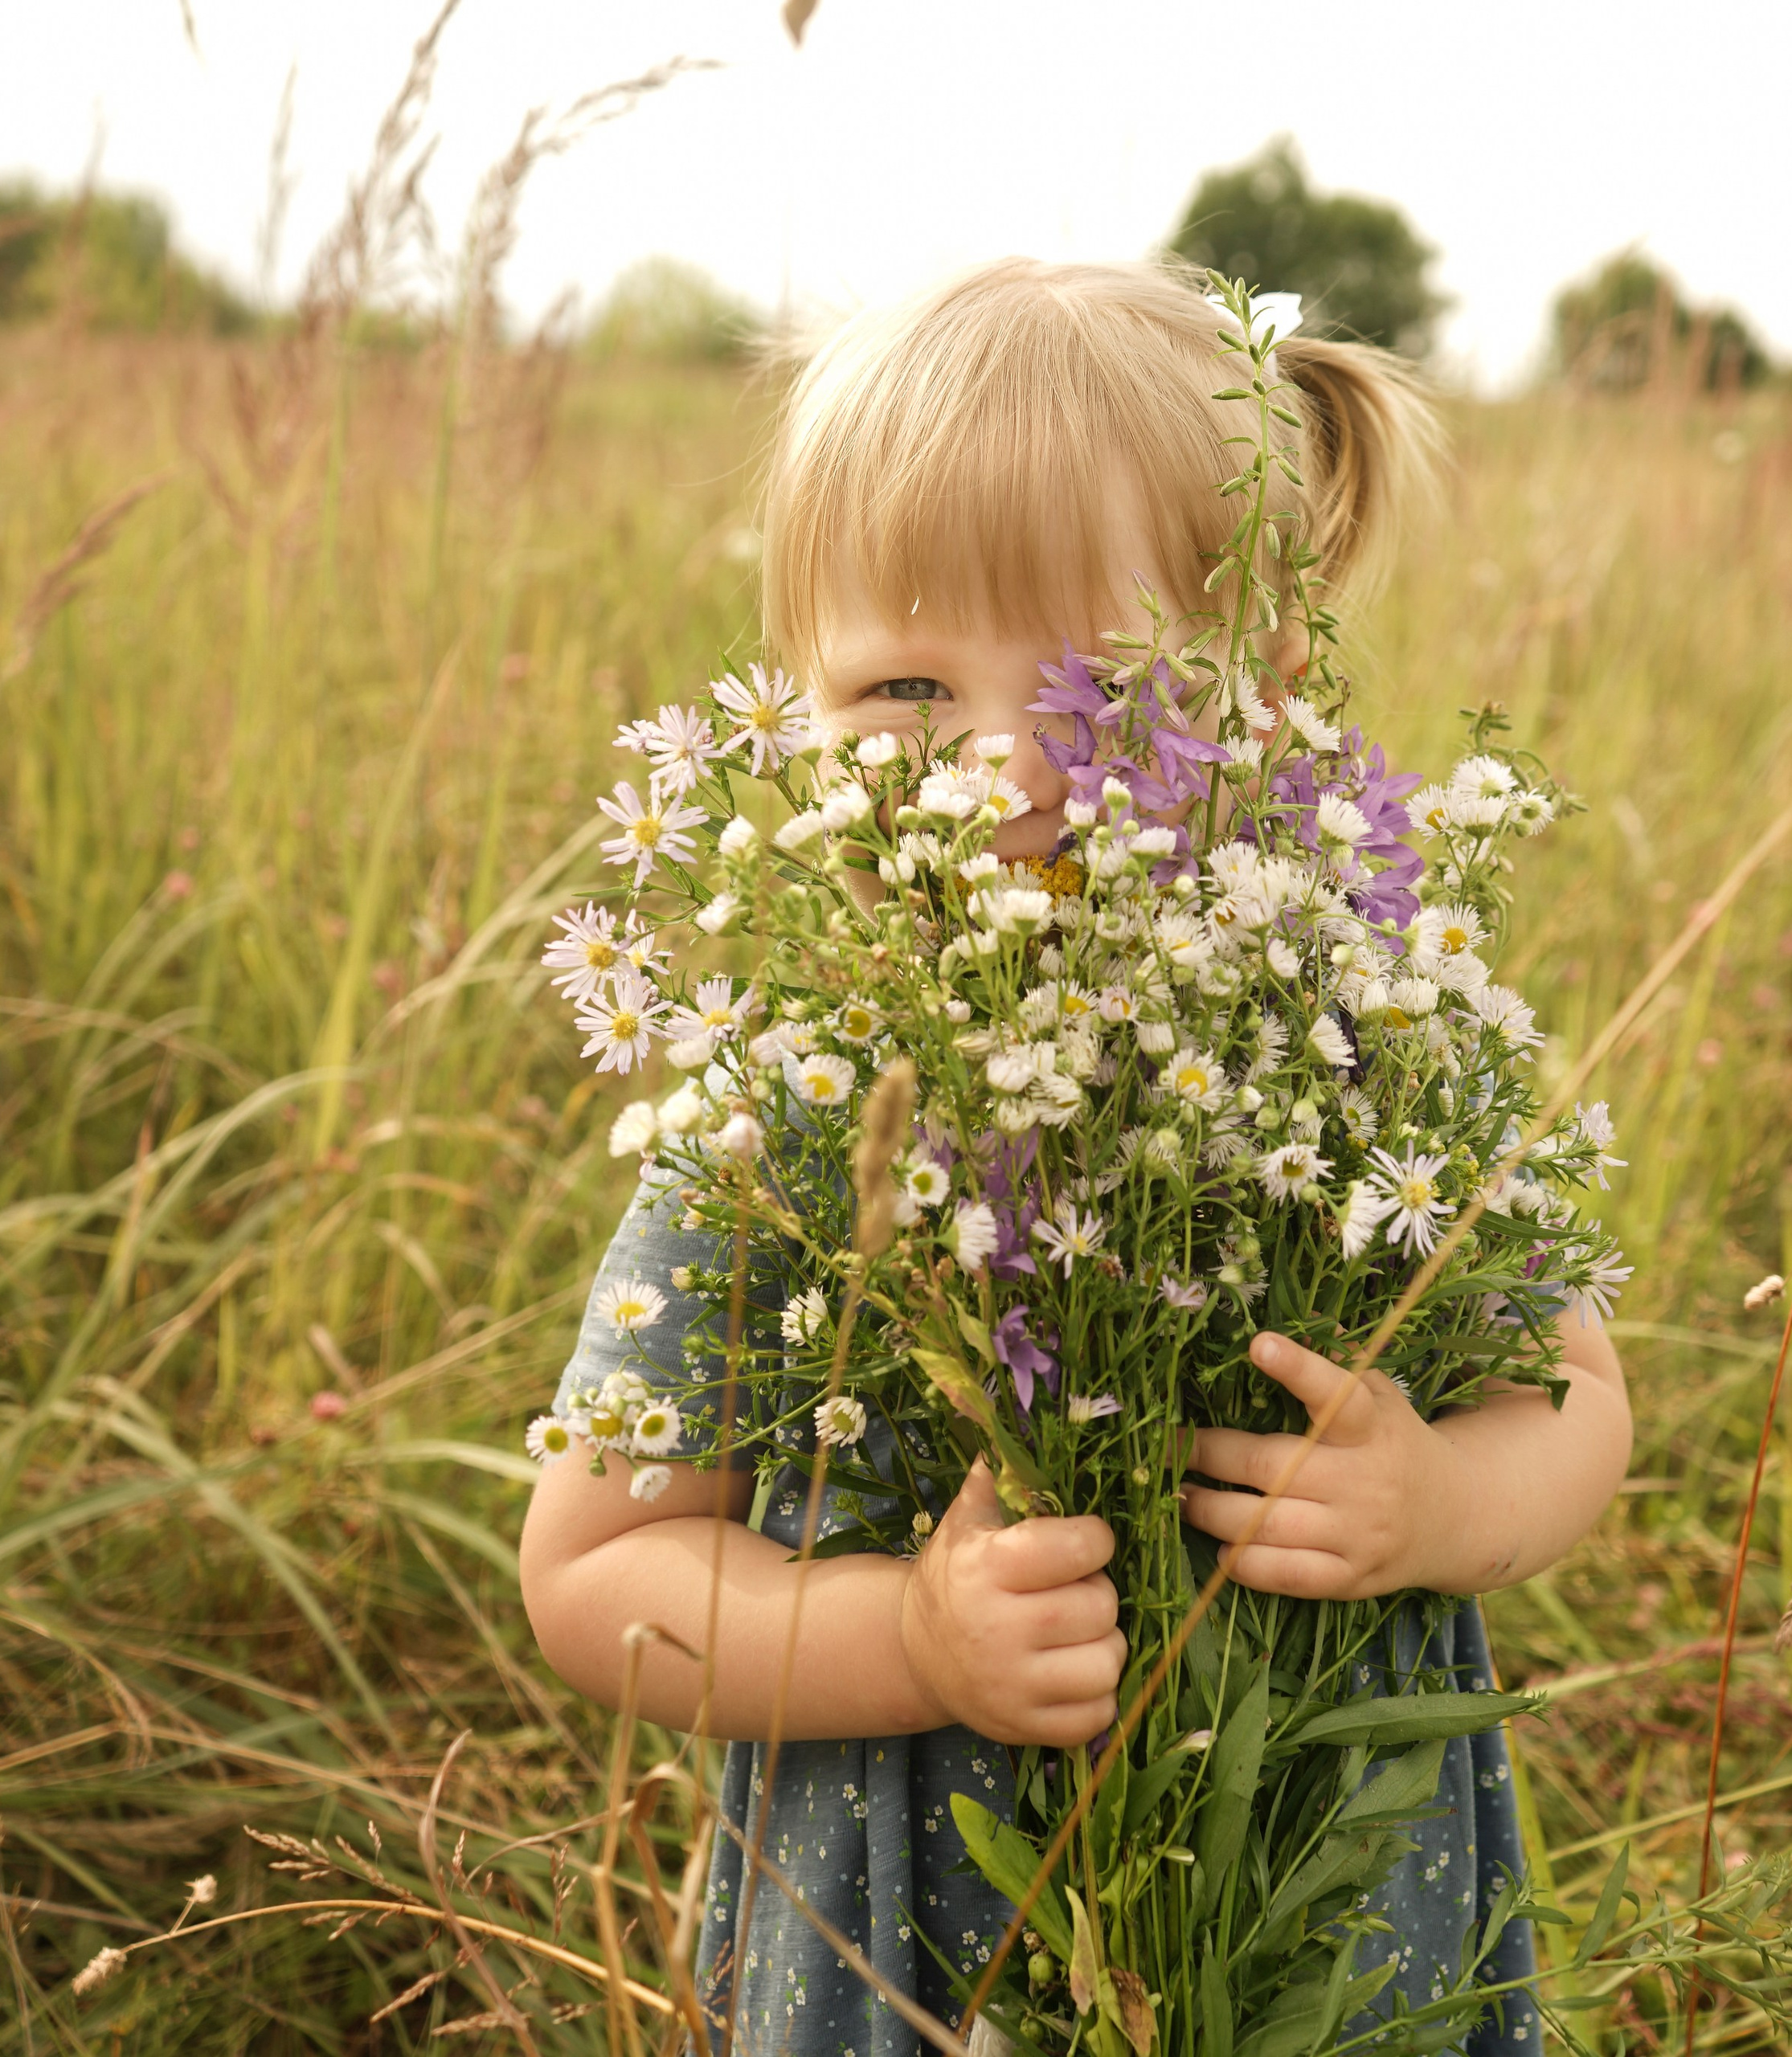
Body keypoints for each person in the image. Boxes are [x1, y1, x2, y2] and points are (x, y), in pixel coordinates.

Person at [521, 258, 1634, 2055]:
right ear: (788, 709)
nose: (995, 763)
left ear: (1263, 692)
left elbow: (1578, 1403)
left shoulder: (1363, 1035)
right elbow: (590, 1574)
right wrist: (912, 1640)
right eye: (900, 685)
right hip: (921, 1946)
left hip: (1324, 1914)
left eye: (1097, 685)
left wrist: (1438, 1506)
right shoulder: (791, 1112)